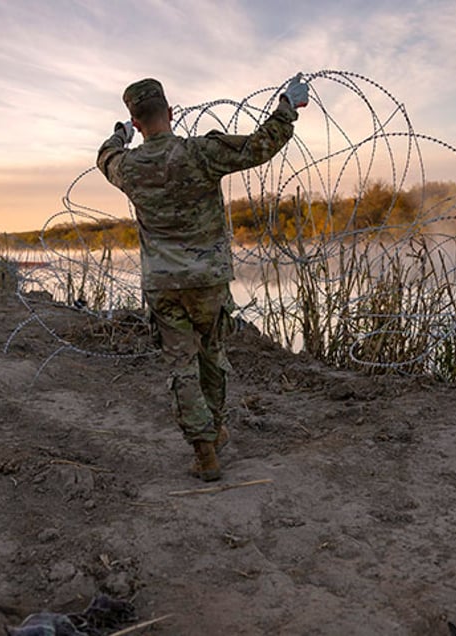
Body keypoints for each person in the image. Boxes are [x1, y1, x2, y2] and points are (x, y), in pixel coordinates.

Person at [96, 74, 309, 481]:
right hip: (208, 280)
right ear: (171, 113)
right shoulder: (201, 153)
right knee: (211, 356)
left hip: (163, 286)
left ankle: (205, 449)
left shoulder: (128, 166)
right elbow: (261, 145)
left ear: (136, 123)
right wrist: (287, 106)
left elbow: (104, 156)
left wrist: (118, 135)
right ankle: (215, 427)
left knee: (181, 366)